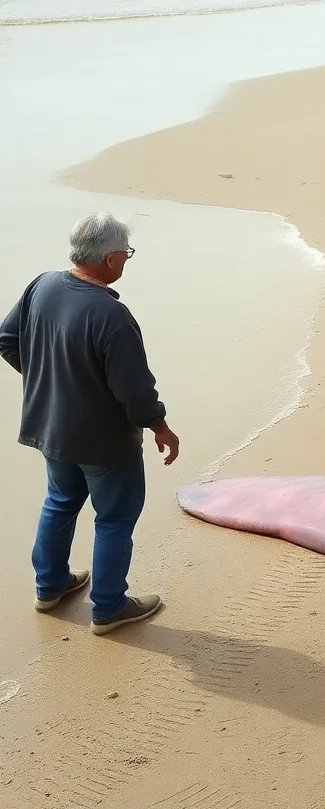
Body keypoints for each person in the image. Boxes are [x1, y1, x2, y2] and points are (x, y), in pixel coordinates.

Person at [0, 213, 178, 635]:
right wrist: (160, 427)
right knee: (114, 519)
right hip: (105, 445)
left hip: (52, 429)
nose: (127, 261)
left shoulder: (41, 285)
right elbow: (134, 391)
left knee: (59, 502)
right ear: (111, 258)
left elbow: (7, 340)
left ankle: (50, 587)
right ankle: (109, 607)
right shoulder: (111, 316)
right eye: (127, 254)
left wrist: (51, 381)